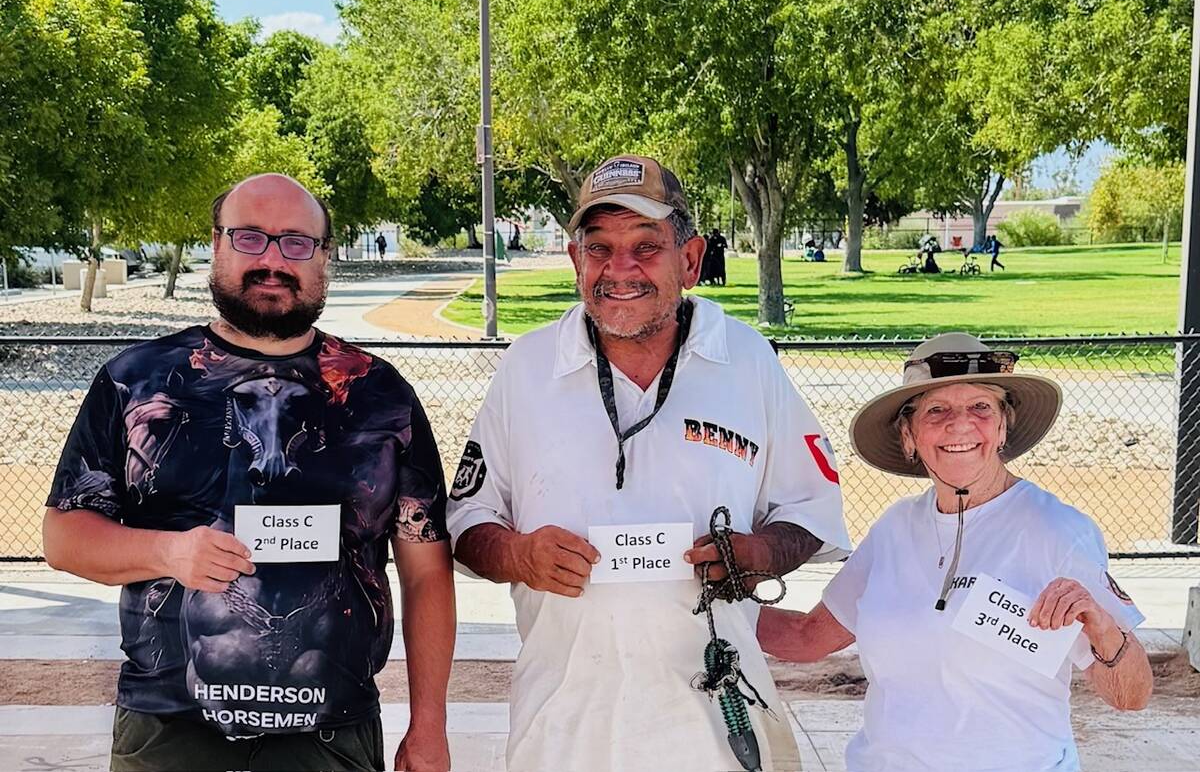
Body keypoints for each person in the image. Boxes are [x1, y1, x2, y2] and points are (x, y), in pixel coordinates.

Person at [445, 154, 851, 772]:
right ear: (576, 261)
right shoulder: (526, 368)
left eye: (646, 246)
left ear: (689, 260)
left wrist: (759, 555)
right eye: (599, 247)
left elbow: (810, 511)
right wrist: (518, 554)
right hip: (562, 727)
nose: (620, 269)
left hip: (716, 723)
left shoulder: (746, 359)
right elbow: (466, 522)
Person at [42, 174, 455, 772]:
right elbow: (64, 538)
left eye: (294, 242)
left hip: (331, 732)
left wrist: (430, 727)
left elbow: (426, 573)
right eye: (250, 238)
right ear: (217, 245)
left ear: (324, 256)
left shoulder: (378, 395)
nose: (271, 260)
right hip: (169, 730)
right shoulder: (137, 381)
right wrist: (170, 555)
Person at [758, 332, 1152, 772]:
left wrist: (1101, 626)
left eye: (981, 407)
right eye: (937, 410)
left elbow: (1130, 696)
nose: (960, 424)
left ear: (1003, 426)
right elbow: (808, 638)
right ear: (909, 435)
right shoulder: (895, 528)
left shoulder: (1057, 531)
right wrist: (690, 607)